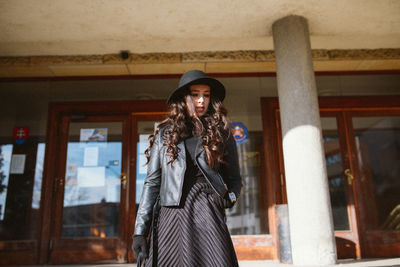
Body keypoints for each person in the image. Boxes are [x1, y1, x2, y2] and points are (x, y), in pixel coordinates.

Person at [132, 70, 242, 267]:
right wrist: (140, 231)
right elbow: (152, 183)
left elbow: (235, 179)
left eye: (206, 95)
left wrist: (227, 198)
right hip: (171, 215)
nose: (201, 100)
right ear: (184, 98)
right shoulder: (165, 134)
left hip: (208, 212)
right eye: (195, 94)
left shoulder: (221, 133)